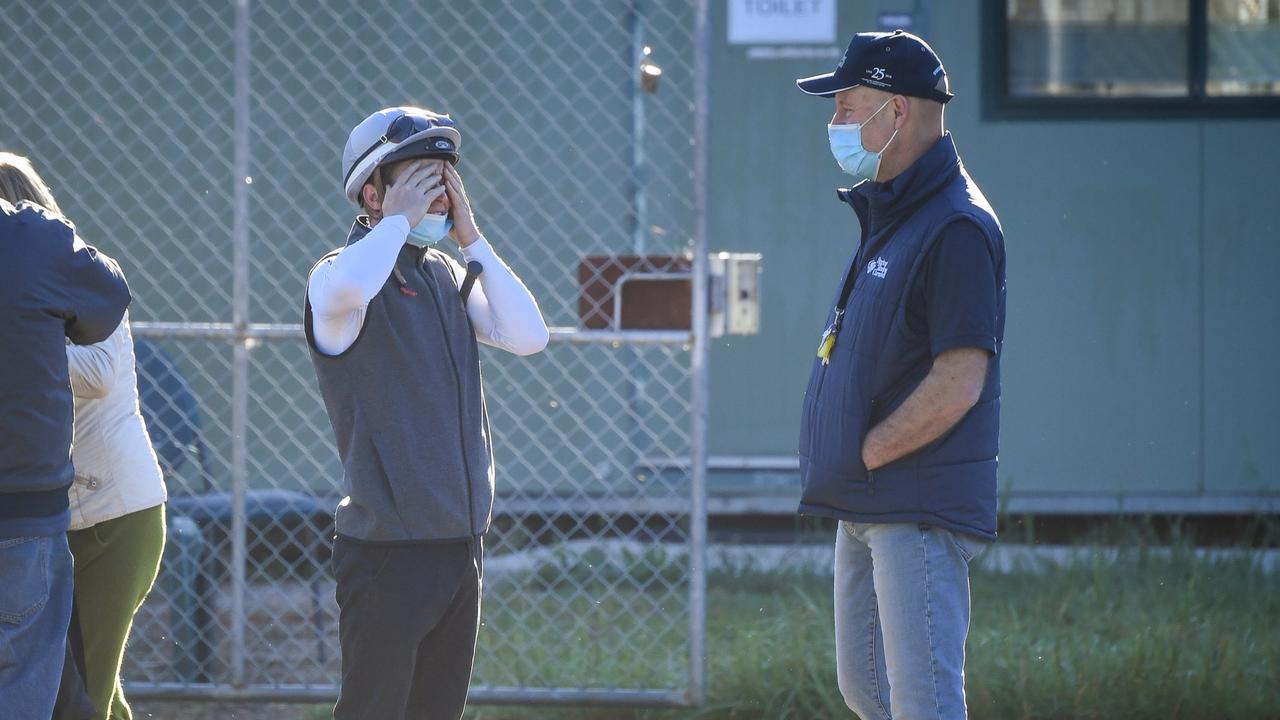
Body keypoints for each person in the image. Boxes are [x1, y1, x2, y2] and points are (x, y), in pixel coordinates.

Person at [304, 107, 549, 720]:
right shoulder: (339, 277)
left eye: (444, 179)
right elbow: (345, 290)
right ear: (372, 191)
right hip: (388, 550)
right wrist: (397, 221)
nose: (436, 195)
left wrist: (473, 238)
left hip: (459, 544)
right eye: (418, 179)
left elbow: (528, 335)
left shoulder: (443, 272)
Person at [793, 31, 1007, 720]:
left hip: (911, 502)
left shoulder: (955, 228)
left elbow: (960, 380)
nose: (835, 123)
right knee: (869, 692)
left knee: (924, 702)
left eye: (847, 105)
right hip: (865, 500)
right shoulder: (897, 212)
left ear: (898, 112)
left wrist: (869, 451)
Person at [0, 154, 169, 720]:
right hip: (59, 517)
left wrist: (22, 343)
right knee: (83, 689)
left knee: (84, 692)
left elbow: (98, 375)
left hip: (112, 513)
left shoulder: (71, 275)